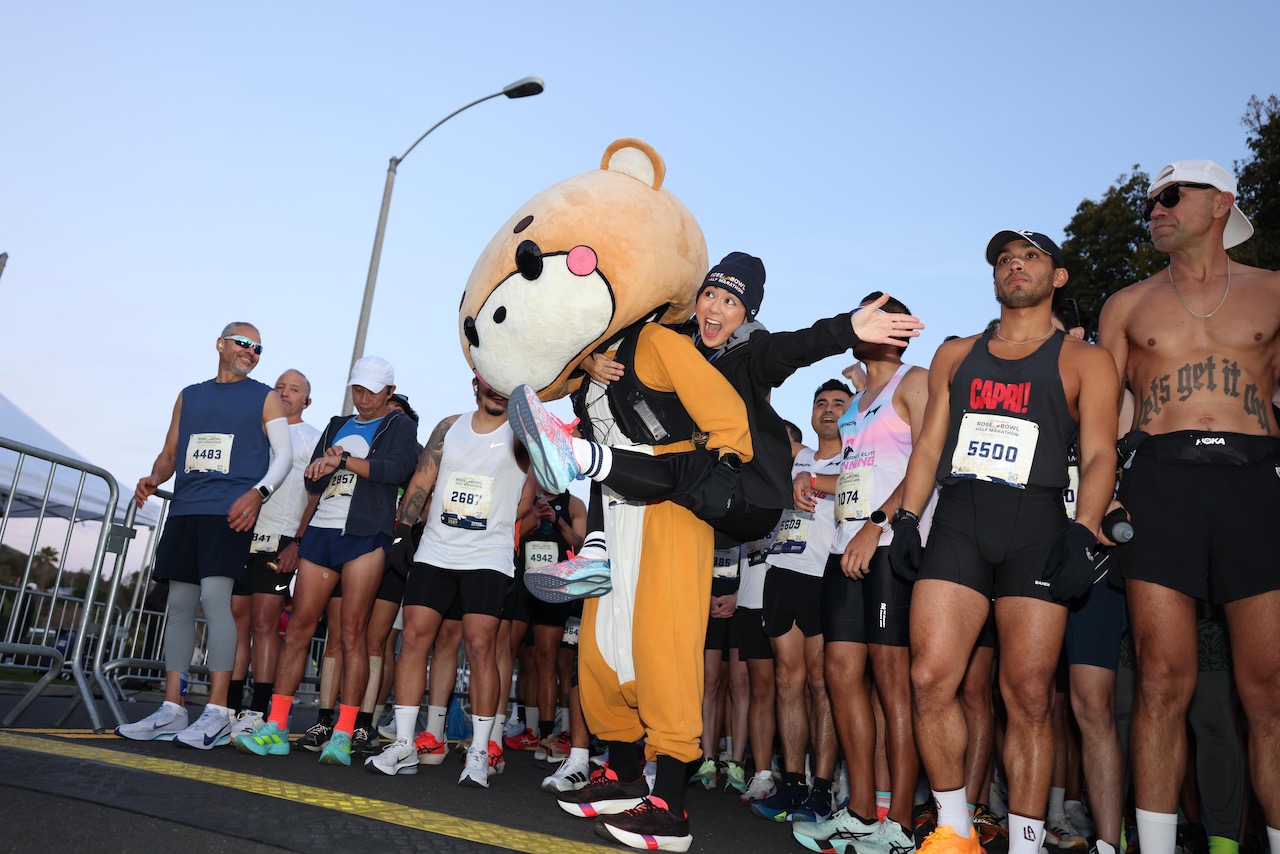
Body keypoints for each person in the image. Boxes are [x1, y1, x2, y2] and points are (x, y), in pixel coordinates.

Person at [892, 231, 1119, 854]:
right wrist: (908, 520)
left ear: (1059, 276)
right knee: (930, 679)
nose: (1014, 266)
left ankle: (1023, 842)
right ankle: (955, 830)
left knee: (1027, 696)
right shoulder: (956, 355)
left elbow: (1101, 453)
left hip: (1038, 527)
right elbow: (930, 446)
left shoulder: (1085, 360)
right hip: (961, 521)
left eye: (1030, 257)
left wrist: (1084, 532)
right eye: (1003, 260)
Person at [1096, 159, 1280, 854]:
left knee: (1268, 690)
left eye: (1172, 196)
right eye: (1149, 201)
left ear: (1221, 203)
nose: (1156, 209)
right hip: (1160, 481)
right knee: (1160, 680)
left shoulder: (1273, 292)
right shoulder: (1127, 303)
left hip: (1255, 479)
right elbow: (1105, 413)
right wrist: (1100, 497)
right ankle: (1158, 846)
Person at [794, 294, 930, 854]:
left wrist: (878, 524)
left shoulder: (915, 382)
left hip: (890, 546)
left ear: (898, 330)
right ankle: (858, 809)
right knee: (841, 674)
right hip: (844, 550)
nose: (862, 326)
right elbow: (858, 472)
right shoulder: (855, 404)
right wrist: (812, 484)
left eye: (878, 318)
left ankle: (898, 823)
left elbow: (929, 460)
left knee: (892, 683)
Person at [233, 355, 417, 765]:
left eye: (371, 390)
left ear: (388, 392)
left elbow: (399, 469)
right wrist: (324, 464)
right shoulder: (337, 424)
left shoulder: (399, 425)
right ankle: (276, 726)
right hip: (321, 532)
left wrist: (344, 461)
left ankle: (343, 733)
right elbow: (311, 479)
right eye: (357, 388)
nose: (362, 397)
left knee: (352, 634)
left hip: (365, 535)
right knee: (298, 627)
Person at [117, 322, 292, 749]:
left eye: (258, 348)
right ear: (220, 344)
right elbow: (170, 454)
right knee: (178, 606)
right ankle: (172, 709)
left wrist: (257, 493)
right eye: (243, 343)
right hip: (186, 510)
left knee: (217, 602)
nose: (251, 351)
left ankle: (218, 711)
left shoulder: (266, 397)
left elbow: (284, 456)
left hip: (228, 513)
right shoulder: (189, 395)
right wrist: (153, 477)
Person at [365, 375, 536, 787]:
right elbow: (424, 477)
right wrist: (404, 529)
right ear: (475, 385)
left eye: (503, 390)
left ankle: (479, 750)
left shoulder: (521, 435)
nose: (495, 394)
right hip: (436, 550)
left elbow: (538, 487)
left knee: (480, 646)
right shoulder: (448, 426)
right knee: (414, 640)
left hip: (487, 556)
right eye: (489, 386)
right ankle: (405, 741)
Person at [752, 380, 854, 825]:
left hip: (824, 577)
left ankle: (823, 788)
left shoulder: (857, 460)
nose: (828, 410)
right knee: (787, 679)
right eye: (821, 403)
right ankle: (792, 784)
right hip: (782, 574)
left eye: (839, 404)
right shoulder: (797, 457)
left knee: (820, 682)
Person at [229, 369, 321, 737]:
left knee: (266, 623)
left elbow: (315, 498)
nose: (284, 393)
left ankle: (256, 710)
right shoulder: (259, 427)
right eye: (279, 386)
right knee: (237, 621)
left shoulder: (313, 438)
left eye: (294, 389)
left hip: (279, 538)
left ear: (306, 401)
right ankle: (228, 706)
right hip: (240, 534)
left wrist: (298, 543)